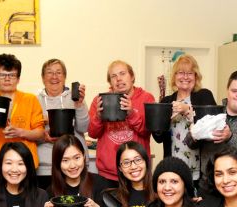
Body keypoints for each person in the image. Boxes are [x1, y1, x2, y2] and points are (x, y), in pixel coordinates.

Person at [185, 70, 237, 195]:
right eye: (234, 91)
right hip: (208, 186)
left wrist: (230, 137)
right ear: (227, 91)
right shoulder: (212, 112)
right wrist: (197, 134)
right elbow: (189, 143)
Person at [88, 60, 155, 189]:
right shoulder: (99, 100)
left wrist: (131, 114)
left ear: (132, 76)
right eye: (114, 76)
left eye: (122, 73)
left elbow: (147, 132)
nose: (118, 79)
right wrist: (98, 117)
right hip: (107, 175)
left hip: (137, 172)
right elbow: (92, 133)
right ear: (110, 82)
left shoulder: (146, 98)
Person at [152, 54, 216, 187]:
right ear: (174, 77)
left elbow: (212, 128)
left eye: (190, 73)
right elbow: (158, 137)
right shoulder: (167, 101)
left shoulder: (204, 96)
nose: (185, 77)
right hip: (174, 168)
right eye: (181, 73)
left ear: (196, 77)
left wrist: (189, 111)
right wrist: (166, 119)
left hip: (201, 169)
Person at [36, 58, 89, 190]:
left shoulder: (75, 98)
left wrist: (79, 105)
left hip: (75, 166)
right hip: (45, 168)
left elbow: (84, 127)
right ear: (43, 78)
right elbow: (30, 134)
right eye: (50, 72)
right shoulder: (35, 100)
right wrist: (43, 137)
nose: (54, 76)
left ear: (65, 77)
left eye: (59, 72)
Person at [0, 53, 44, 168]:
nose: (7, 79)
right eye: (2, 75)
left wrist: (20, 132)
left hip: (25, 163)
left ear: (18, 79)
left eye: (12, 75)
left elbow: (41, 133)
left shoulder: (30, 99)